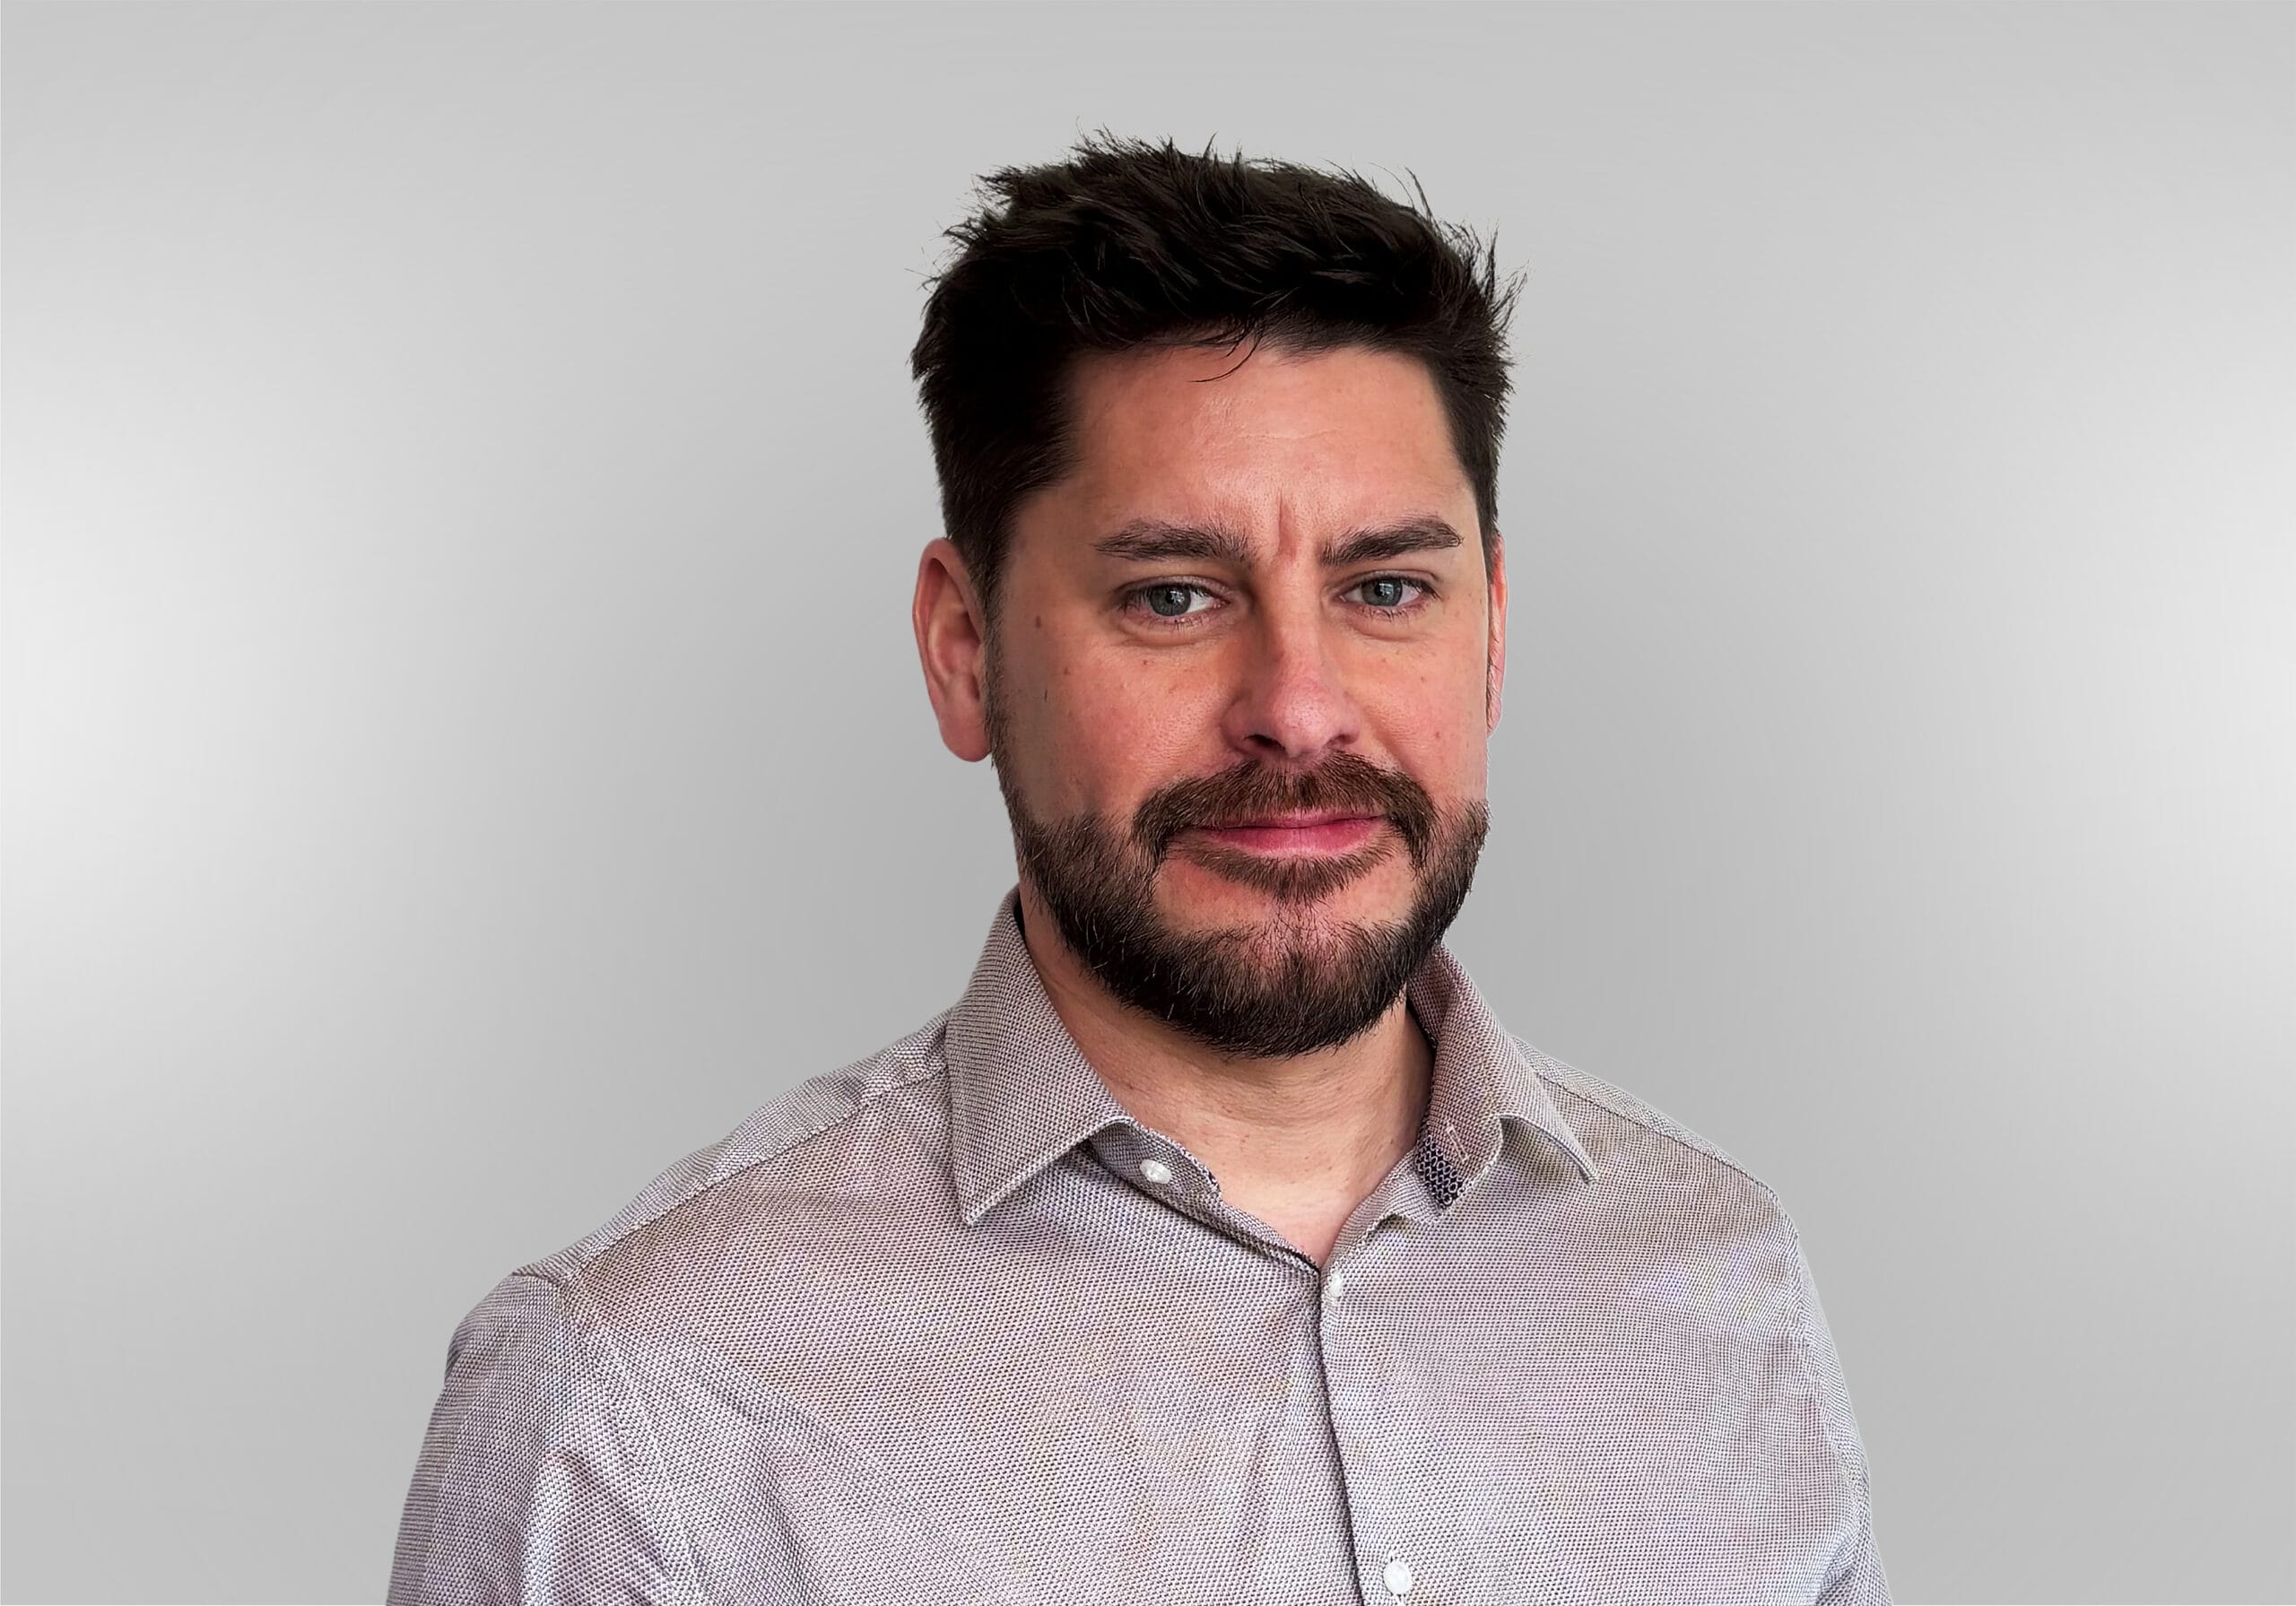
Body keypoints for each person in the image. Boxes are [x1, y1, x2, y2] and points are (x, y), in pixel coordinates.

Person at [387, 133, 1889, 1606]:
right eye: (1174, 596)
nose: (1298, 707)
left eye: (1385, 588)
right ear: (963, 650)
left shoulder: (1723, 1280)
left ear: (1491, 631)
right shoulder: (635, 1402)